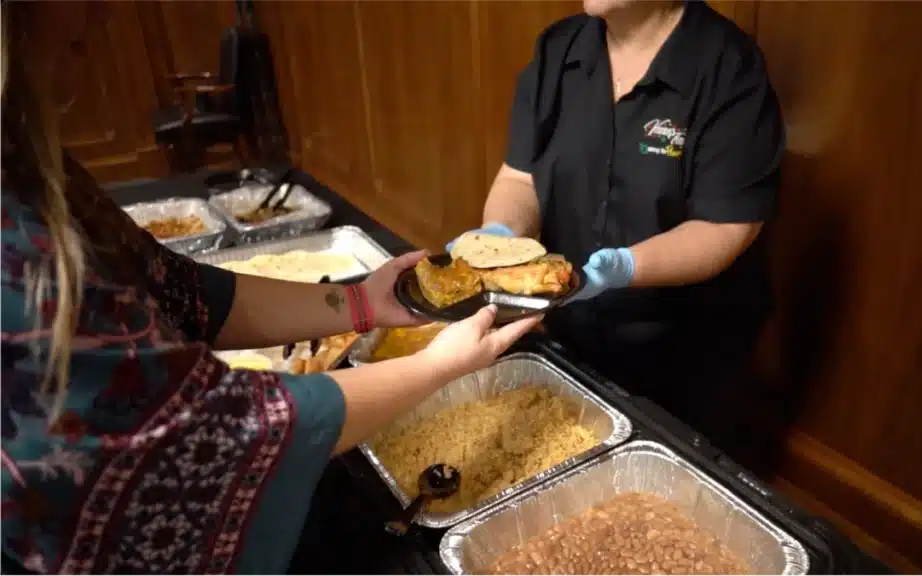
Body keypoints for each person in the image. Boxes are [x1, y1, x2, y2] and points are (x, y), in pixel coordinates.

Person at [0, 3, 539, 575]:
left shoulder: (24, 157)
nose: (104, 12)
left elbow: (176, 287)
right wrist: (437, 367)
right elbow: (221, 436)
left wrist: (359, 302)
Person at [451, 0, 784, 451]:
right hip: (569, 330)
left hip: (685, 355)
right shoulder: (559, 48)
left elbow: (725, 228)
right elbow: (519, 177)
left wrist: (624, 268)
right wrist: (502, 238)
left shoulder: (728, 67)